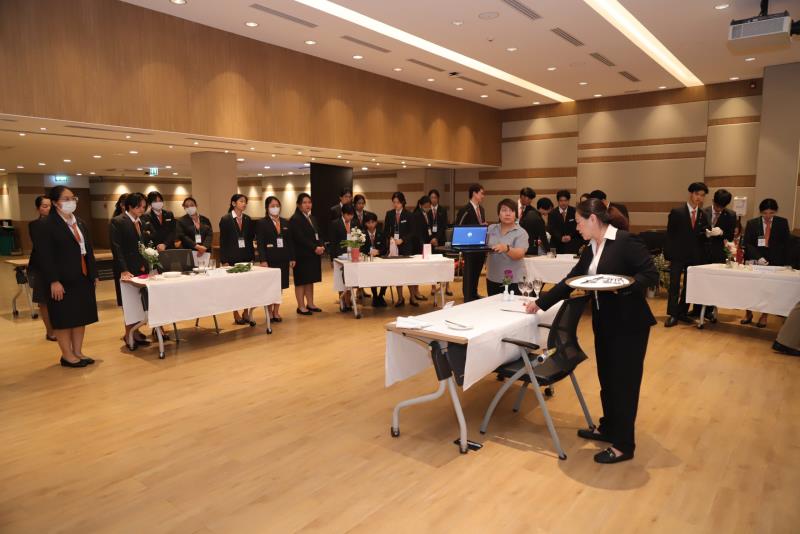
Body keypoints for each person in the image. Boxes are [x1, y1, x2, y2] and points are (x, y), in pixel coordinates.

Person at [526, 199, 657, 464]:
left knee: (624, 383)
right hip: (604, 321)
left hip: (629, 324)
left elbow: (650, 274)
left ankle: (624, 444)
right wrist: (540, 303)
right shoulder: (591, 247)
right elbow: (572, 279)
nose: (576, 227)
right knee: (607, 378)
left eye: (579, 222)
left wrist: (623, 287)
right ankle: (609, 427)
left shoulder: (625, 241)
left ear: (593, 219)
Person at [38, 186, 99, 367]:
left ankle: (78, 351)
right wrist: (53, 281)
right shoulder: (47, 225)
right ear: (55, 202)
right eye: (66, 199)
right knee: (64, 318)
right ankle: (67, 355)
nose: (71, 201)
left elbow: (88, 251)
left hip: (82, 276)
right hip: (61, 280)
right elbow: (45, 256)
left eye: (73, 198)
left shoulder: (79, 222)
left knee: (80, 316)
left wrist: (93, 274)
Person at [664, 182, 710, 327]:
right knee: (674, 285)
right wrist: (668, 256)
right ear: (691, 194)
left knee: (689, 286)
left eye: (702, 195)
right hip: (677, 255)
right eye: (697, 194)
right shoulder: (677, 212)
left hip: (694, 255)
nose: (699, 198)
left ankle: (682, 312)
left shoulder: (703, 214)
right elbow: (670, 235)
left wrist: (708, 233)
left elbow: (703, 234)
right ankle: (673, 314)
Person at [110, 192, 153, 347]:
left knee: (140, 301)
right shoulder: (118, 221)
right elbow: (116, 248)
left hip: (141, 267)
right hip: (126, 268)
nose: (142, 209)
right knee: (129, 303)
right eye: (139, 206)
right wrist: (123, 269)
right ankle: (129, 334)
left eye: (144, 206)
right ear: (129, 206)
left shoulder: (142, 221)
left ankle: (136, 332)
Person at [741, 198, 791, 328]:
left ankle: (764, 316)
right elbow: (748, 243)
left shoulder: (782, 223)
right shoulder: (752, 223)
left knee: (768, 290)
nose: (768, 216)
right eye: (765, 213)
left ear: (775, 212)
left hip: (775, 262)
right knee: (751, 288)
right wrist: (759, 257)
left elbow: (786, 244)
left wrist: (787, 263)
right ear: (760, 212)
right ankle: (748, 313)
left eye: (771, 213)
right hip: (756, 260)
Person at [256, 196, 295, 322]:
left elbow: (290, 242)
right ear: (267, 208)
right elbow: (260, 243)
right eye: (272, 206)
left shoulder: (285, 222)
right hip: (269, 260)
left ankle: (276, 311)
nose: (275, 208)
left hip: (283, 259)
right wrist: (263, 260)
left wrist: (292, 258)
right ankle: (269, 311)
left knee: (280, 286)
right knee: (270, 287)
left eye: (277, 205)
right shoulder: (262, 223)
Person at [219, 194, 256, 326]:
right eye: (241, 201)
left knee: (247, 287)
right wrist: (224, 260)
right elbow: (223, 241)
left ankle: (246, 312)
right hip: (231, 258)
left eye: (245, 202)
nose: (244, 204)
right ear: (234, 203)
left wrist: (252, 257)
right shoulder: (226, 219)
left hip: (246, 257)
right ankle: (235, 313)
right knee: (234, 288)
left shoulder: (248, 219)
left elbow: (250, 240)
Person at [290, 193, 324, 315]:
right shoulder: (295, 219)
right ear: (298, 205)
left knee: (310, 280)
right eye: (304, 202)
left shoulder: (312, 218)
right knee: (301, 281)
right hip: (301, 255)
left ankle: (310, 304)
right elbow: (300, 238)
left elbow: (318, 234)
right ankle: (301, 306)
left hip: (312, 255)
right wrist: (315, 247)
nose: (307, 205)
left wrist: (321, 245)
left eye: (309, 202)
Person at [485, 199, 528, 296]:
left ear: (515, 214)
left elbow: (520, 254)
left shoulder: (521, 232)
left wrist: (506, 248)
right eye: (504, 210)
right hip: (493, 277)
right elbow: (483, 246)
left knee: (512, 304)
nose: (507, 214)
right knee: (492, 304)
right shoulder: (491, 229)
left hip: (514, 279)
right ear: (498, 214)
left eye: (511, 211)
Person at [27, 195, 55, 341]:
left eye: (50, 206)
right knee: (44, 300)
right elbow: (41, 247)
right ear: (38, 208)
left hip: (58, 266)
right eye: (45, 206)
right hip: (40, 267)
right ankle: (50, 331)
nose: (48, 208)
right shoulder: (35, 225)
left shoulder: (59, 222)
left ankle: (59, 329)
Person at [384, 192, 417, 306]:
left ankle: (412, 297)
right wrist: (391, 238)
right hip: (394, 247)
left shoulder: (409, 215)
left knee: (409, 273)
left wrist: (402, 240)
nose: (395, 204)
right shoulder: (389, 214)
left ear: (402, 202)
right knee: (398, 273)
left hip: (406, 247)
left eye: (397, 202)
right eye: (394, 202)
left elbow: (413, 232)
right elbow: (386, 231)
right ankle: (400, 298)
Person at [456, 184, 487, 302]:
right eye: (481, 193)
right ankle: (468, 296)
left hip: (480, 246)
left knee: (477, 271)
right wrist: (478, 227)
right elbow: (459, 227)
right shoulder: (465, 210)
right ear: (474, 193)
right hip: (469, 247)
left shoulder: (481, 209)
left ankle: (474, 293)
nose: (483, 196)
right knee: (469, 273)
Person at [330, 203, 356, 311]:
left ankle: (348, 301)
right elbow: (333, 242)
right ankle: (342, 302)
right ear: (342, 213)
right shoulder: (335, 224)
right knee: (340, 280)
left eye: (351, 215)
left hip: (352, 254)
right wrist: (332, 258)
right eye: (347, 215)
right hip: (339, 256)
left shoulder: (354, 223)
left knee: (350, 278)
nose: (349, 217)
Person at [360, 212, 388, 307]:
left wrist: (378, 252)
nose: (371, 225)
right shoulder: (362, 235)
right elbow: (361, 249)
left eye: (373, 222)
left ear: (376, 222)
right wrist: (369, 252)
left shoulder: (381, 233)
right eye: (368, 223)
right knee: (372, 276)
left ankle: (381, 295)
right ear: (365, 224)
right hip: (368, 261)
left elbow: (385, 248)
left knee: (387, 275)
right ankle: (375, 296)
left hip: (380, 260)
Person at [703, 189, 737, 263]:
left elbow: (730, 237)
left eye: (721, 207)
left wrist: (721, 232)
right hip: (703, 252)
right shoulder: (703, 212)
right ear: (713, 201)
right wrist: (706, 233)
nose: (718, 209)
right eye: (717, 206)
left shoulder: (731, 215)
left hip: (719, 254)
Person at [428, 188, 451, 296]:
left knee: (444, 264)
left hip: (441, 240)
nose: (433, 199)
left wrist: (437, 238)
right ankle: (433, 287)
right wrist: (432, 239)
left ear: (438, 198)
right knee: (432, 265)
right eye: (431, 197)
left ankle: (447, 287)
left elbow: (443, 226)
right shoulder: (427, 211)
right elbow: (426, 226)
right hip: (430, 241)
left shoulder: (443, 210)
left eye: (435, 197)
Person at [176, 197, 213, 261]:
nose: (189, 207)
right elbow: (183, 236)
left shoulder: (205, 219)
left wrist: (204, 247)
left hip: (205, 252)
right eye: (187, 206)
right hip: (190, 252)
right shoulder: (181, 221)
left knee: (206, 267)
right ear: (184, 208)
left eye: (192, 205)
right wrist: (197, 247)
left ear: (196, 205)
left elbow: (209, 234)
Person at [518, 187, 549, 255]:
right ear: (522, 196)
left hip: (529, 248)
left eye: (531, 199)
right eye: (528, 198)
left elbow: (542, 234)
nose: (530, 201)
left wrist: (548, 251)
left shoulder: (533, 212)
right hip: (512, 245)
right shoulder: (511, 208)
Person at [548, 190, 580, 254]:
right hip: (556, 244)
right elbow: (551, 229)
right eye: (561, 201)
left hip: (572, 244)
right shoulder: (552, 213)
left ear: (568, 201)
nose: (563, 203)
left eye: (565, 200)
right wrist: (560, 238)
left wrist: (570, 236)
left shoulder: (574, 211)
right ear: (558, 201)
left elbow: (578, 226)